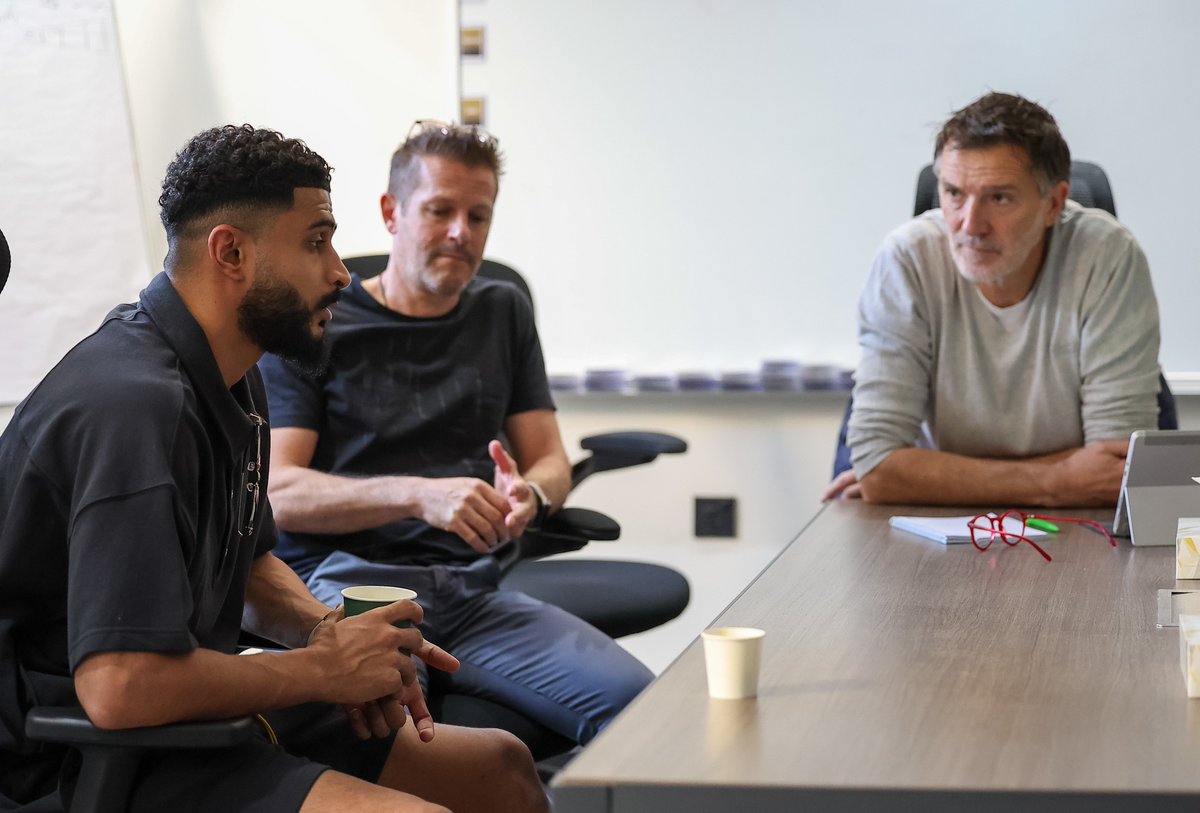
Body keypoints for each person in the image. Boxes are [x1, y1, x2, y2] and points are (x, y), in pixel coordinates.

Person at [0, 124, 546, 813]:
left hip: (181, 718)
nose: (341, 272)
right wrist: (322, 669)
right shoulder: (132, 407)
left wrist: (327, 631)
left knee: (503, 766)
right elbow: (120, 685)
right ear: (231, 252)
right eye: (317, 242)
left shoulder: (235, 374)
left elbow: (250, 564)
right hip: (74, 758)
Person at [259, 120, 652, 749]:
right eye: (440, 211)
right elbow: (279, 493)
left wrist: (532, 496)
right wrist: (419, 495)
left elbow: (549, 460)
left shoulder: (502, 311)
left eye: (478, 216)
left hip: (471, 587)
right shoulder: (319, 321)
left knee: (646, 715)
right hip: (353, 586)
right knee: (395, 744)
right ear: (392, 213)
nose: (460, 233)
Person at [824, 92, 1162, 507]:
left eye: (999, 197)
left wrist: (926, 473)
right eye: (953, 193)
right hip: (931, 526)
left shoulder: (1106, 256)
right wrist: (1057, 480)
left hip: (1075, 528)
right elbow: (878, 468)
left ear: (1054, 204)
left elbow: (1114, 471)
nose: (970, 225)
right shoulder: (907, 258)